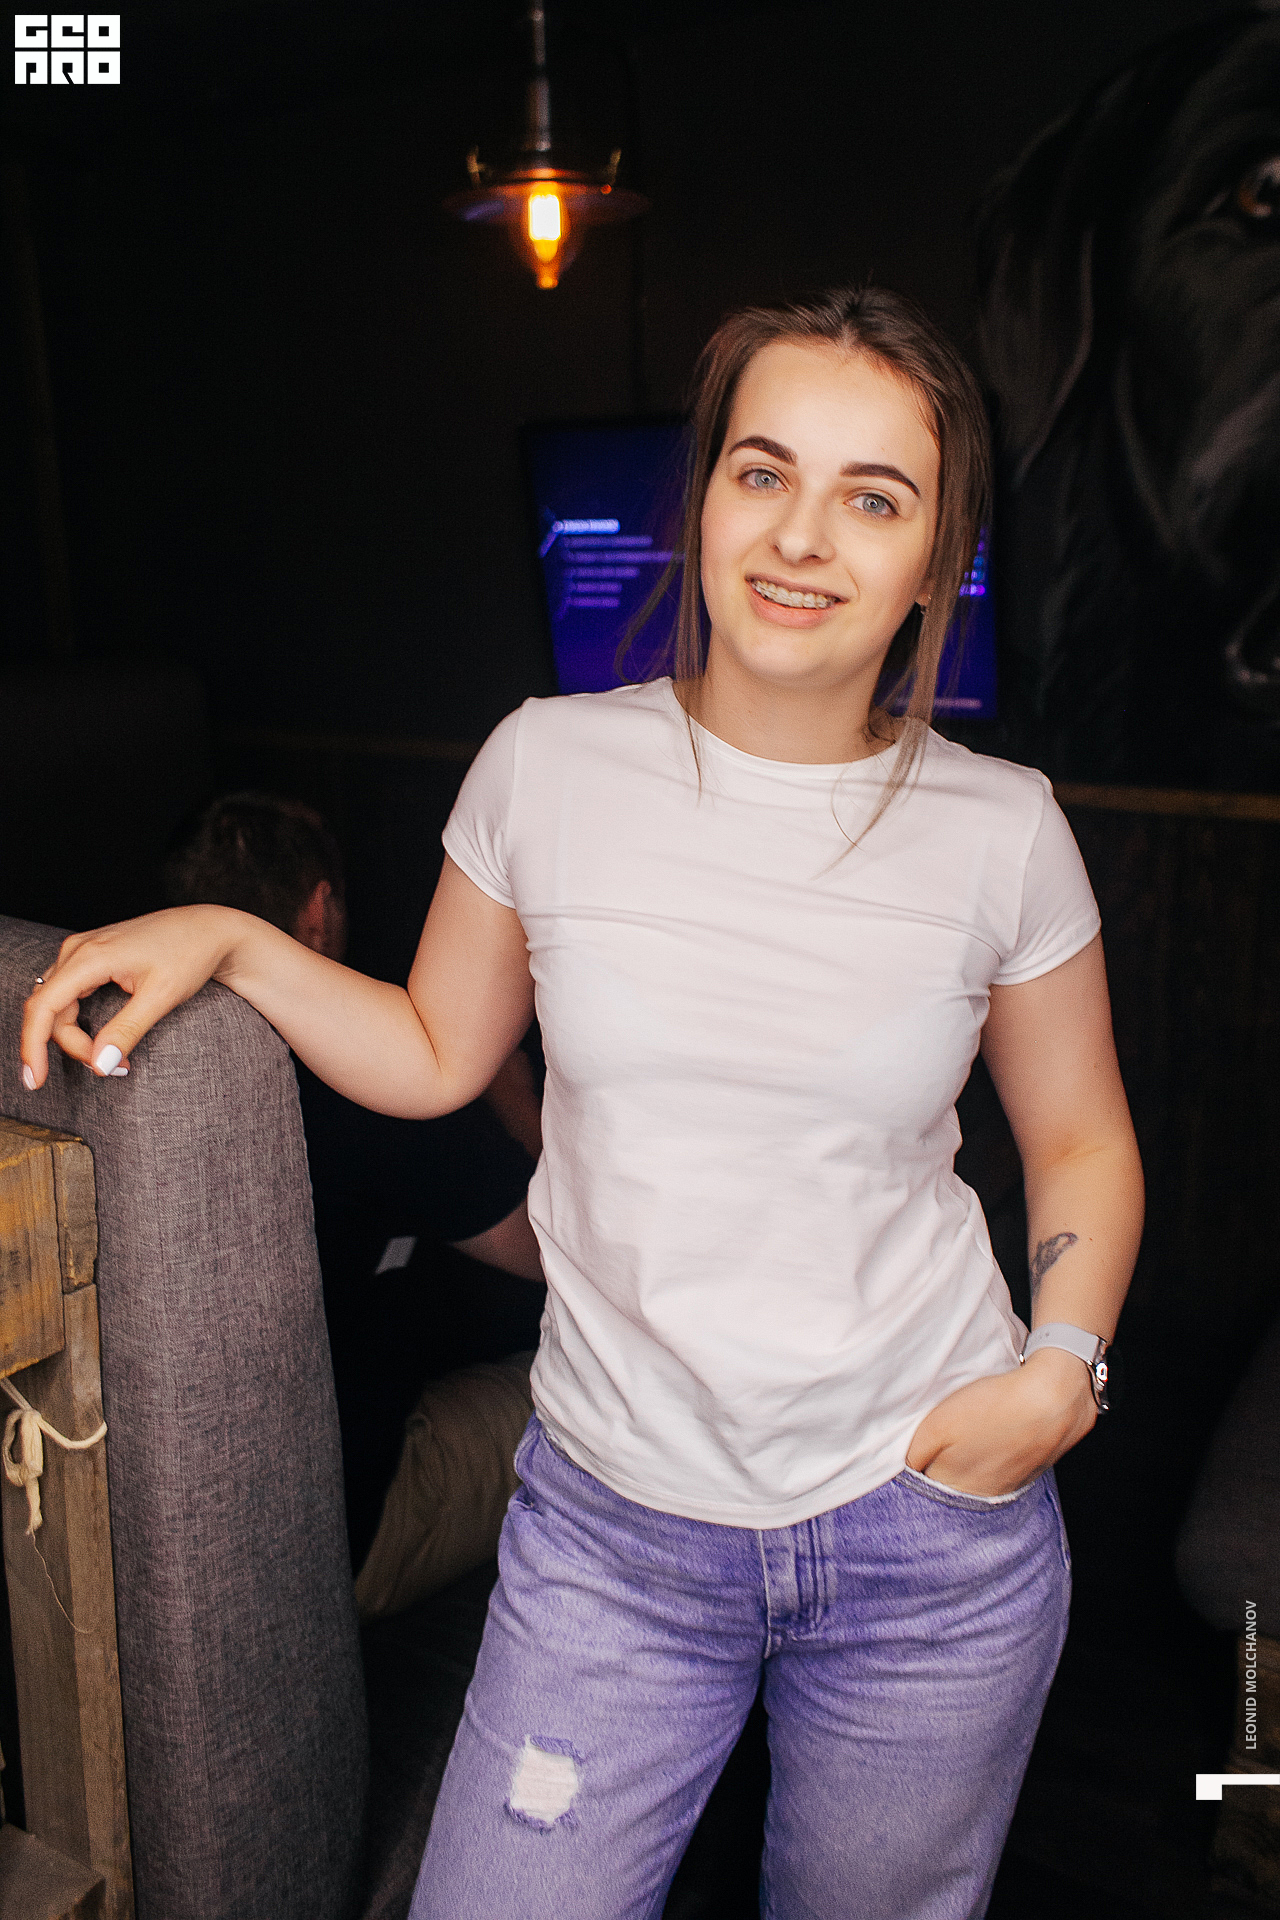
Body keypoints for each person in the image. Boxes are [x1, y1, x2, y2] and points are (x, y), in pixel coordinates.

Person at [21, 286, 1144, 1920]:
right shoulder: (544, 766)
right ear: (703, 501)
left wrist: (1060, 1373)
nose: (802, 535)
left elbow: (1080, 1139)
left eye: (874, 498)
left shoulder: (1007, 830)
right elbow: (433, 1050)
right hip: (616, 1536)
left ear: (935, 559)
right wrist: (240, 942)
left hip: (924, 1534)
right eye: (763, 473)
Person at [163, 791, 546, 1592]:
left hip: (169, 1521)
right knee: (600, 1411)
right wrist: (512, 1089)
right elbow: (558, 1254)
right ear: (318, 911)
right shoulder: (372, 1090)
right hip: (331, 1528)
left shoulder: (146, 1067)